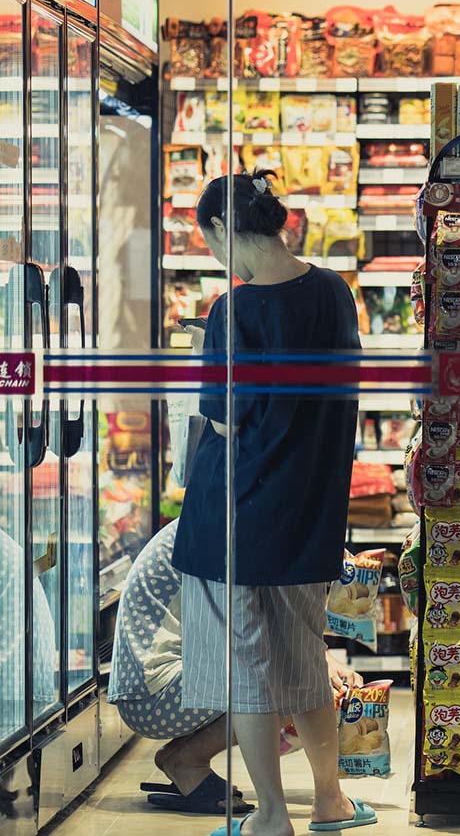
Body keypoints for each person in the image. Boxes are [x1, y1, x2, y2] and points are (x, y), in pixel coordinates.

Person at [172, 169, 367, 836]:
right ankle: (330, 798)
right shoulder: (335, 293)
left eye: (209, 242)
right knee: (303, 655)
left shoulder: (234, 311)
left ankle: (270, 815)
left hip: (233, 516)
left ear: (226, 229)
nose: (215, 257)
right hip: (308, 513)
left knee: (245, 669)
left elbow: (222, 422)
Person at [106, 520, 365, 814]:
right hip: (152, 696)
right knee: (290, 679)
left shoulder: (234, 513)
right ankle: (187, 761)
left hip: (151, 685)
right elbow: (257, 629)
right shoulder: (240, 529)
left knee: (295, 673)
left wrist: (322, 656)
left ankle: (184, 758)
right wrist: (318, 660)